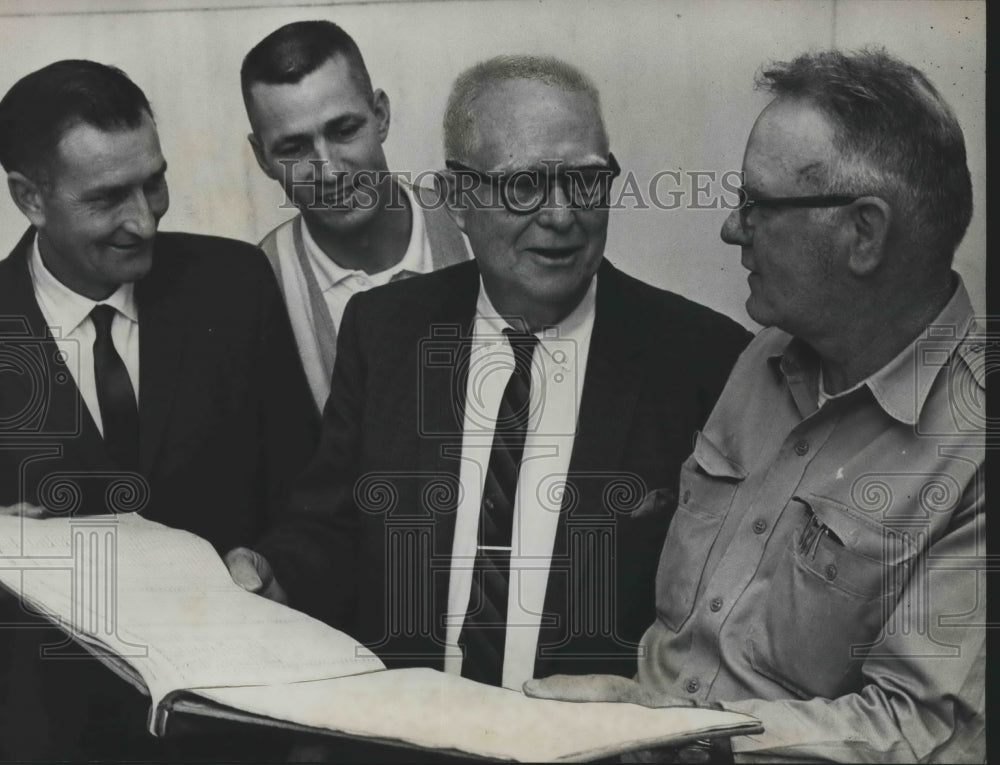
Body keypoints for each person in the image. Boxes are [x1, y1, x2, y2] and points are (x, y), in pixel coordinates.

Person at [227, 55, 750, 694]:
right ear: (457, 198)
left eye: (585, 182)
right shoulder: (386, 330)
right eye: (524, 185)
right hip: (407, 738)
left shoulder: (703, 358)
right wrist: (276, 575)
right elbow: (332, 525)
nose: (562, 215)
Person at [525, 48, 985, 763]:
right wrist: (631, 709)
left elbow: (926, 730)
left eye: (757, 205)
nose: (731, 230)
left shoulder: (976, 445)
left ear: (863, 232)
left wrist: (681, 737)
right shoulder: (762, 356)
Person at [0, 59, 318, 760]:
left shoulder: (235, 285)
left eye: (154, 181)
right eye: (108, 197)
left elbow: (313, 492)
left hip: (238, 730)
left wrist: (274, 565)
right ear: (29, 197)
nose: (143, 220)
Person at [241, 20, 469, 414]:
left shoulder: (477, 228)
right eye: (294, 148)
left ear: (380, 115)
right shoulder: (258, 286)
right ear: (263, 158)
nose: (328, 170)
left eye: (344, 130)